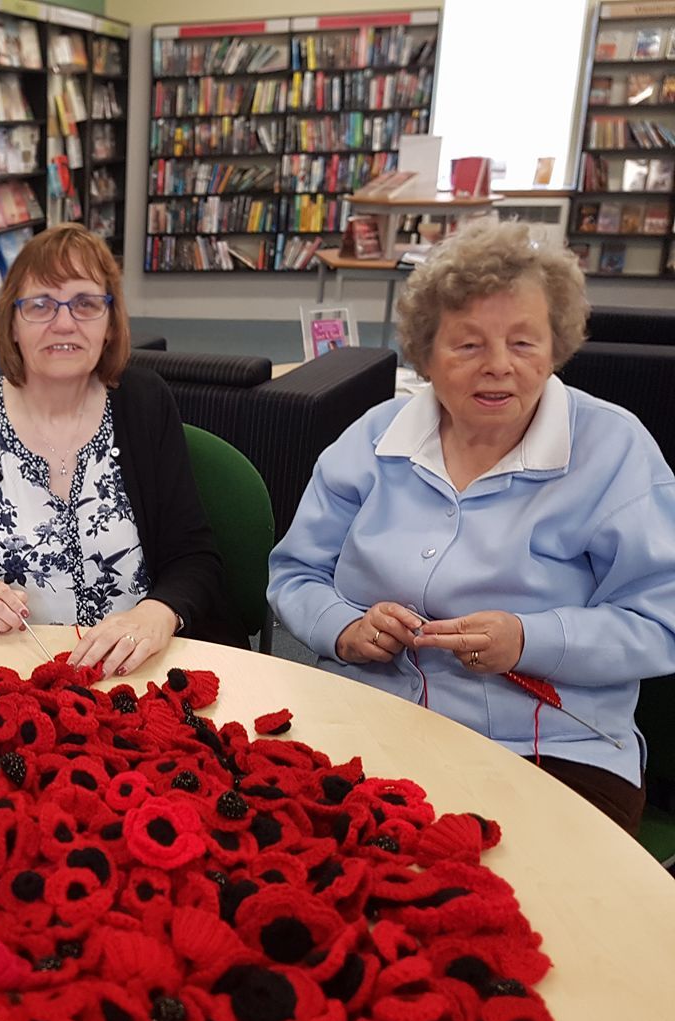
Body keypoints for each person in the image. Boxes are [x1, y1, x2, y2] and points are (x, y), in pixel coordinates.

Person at [268, 220, 675, 835]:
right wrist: (345, 628)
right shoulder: (374, 438)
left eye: (523, 343)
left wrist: (529, 639)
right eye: (468, 345)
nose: (499, 368)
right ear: (426, 355)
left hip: (549, 745)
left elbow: (661, 620)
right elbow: (296, 572)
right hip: (367, 716)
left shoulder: (616, 451)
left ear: (556, 345)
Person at [0, 223, 245, 675]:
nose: (64, 322)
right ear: (11, 323)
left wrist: (157, 614)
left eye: (86, 304)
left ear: (110, 324)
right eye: (40, 305)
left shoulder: (145, 404)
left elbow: (195, 557)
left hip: (144, 667)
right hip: (19, 677)